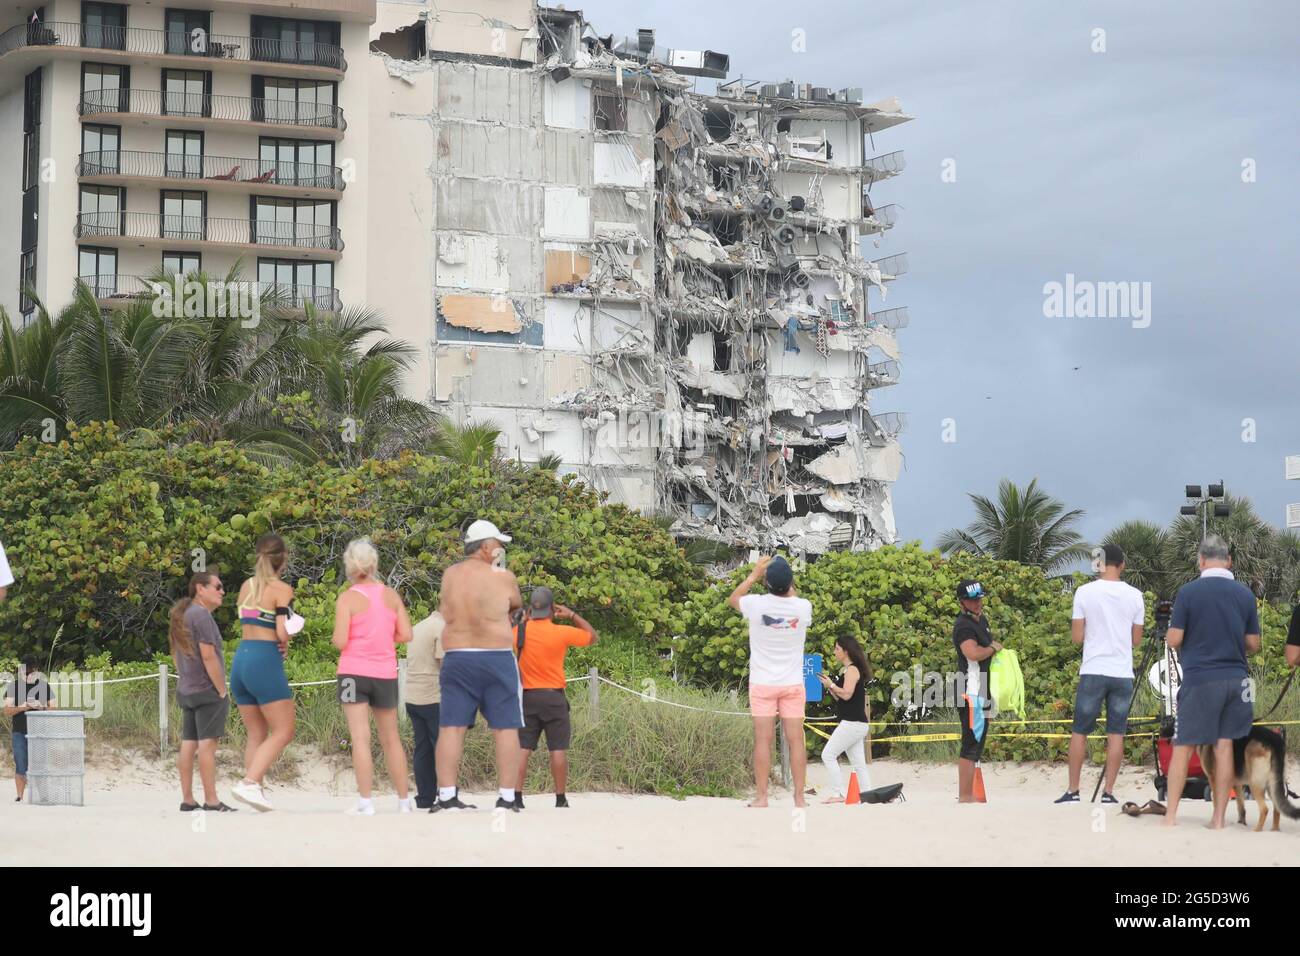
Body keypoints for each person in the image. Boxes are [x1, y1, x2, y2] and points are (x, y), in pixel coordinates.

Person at [1162, 535, 1261, 828]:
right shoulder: (1244, 594)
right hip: (1236, 680)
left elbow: (1176, 638)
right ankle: (1218, 819)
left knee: (1184, 746)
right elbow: (1253, 643)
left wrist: (1171, 635)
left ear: (1201, 561)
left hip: (1201, 680)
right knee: (1224, 746)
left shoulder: (1189, 592)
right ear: (1228, 560)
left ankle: (1170, 817)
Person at [434, 520, 525, 813]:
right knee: (506, 727)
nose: (501, 550)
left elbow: (446, 609)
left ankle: (447, 796)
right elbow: (517, 606)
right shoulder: (503, 576)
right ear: (486, 547)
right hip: (496, 655)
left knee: (451, 727)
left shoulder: (450, 575)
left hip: (458, 655)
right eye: (498, 545)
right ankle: (507, 797)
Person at [1055, 543, 1145, 804]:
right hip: (1121, 672)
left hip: (1093, 669)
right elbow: (1136, 640)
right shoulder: (1135, 595)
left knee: (1080, 731)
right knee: (1116, 733)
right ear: (1122, 565)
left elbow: (1077, 637)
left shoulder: (1084, 592)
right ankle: (1108, 793)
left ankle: (1073, 791)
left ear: (1099, 564)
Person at [332, 538, 414, 815]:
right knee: (391, 738)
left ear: (349, 566)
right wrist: (383, 636)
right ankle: (404, 801)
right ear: (374, 564)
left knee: (360, 737)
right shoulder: (391, 595)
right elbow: (406, 634)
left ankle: (366, 801)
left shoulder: (347, 598)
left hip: (353, 672)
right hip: (385, 672)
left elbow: (341, 641)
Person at [728, 555, 811, 808]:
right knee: (796, 739)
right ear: (790, 582)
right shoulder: (803, 607)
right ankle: (799, 798)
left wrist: (754, 575)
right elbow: (792, 594)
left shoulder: (756, 604)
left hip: (763, 683)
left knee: (762, 740)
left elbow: (733, 599)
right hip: (792, 683)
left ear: (766, 583)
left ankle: (762, 797)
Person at [514, 587, 598, 809]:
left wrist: (520, 620)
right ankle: (560, 799)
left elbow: (500, 638)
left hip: (528, 697)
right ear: (552, 609)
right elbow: (592, 637)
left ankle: (516, 796)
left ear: (531, 608)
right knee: (557, 749)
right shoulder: (561, 632)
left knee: (523, 748)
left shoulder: (518, 633)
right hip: (553, 697)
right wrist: (571, 615)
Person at [230, 533, 297, 811]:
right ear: (284, 559)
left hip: (241, 659)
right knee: (284, 730)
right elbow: (281, 630)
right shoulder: (282, 590)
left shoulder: (246, 587)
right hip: (263, 660)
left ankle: (255, 789)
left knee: (256, 732)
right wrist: (288, 637)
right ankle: (249, 782)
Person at [169, 571, 236, 812]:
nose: (222, 591)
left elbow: (175, 655)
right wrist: (221, 690)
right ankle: (212, 800)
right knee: (207, 746)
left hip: (186, 690)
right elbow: (208, 655)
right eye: (217, 586)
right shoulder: (202, 616)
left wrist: (186, 680)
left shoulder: (184, 615)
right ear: (200, 588)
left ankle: (187, 799)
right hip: (206, 690)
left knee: (189, 743)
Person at [952, 580, 1001, 803]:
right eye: (973, 599)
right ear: (962, 602)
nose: (978, 602)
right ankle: (964, 796)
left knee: (977, 743)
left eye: (980, 597)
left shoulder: (982, 621)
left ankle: (969, 794)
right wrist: (992, 648)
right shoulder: (963, 625)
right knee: (970, 744)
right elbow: (972, 653)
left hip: (982, 689)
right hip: (970, 690)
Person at [816, 635, 873, 802]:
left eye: (837, 649)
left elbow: (847, 694)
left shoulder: (852, 670)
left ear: (845, 651)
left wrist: (832, 685)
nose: (834, 652)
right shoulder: (850, 670)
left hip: (852, 723)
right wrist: (831, 687)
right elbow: (842, 698)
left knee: (828, 755)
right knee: (858, 763)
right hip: (856, 723)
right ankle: (867, 792)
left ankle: (838, 793)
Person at [405, 610, 446, 811]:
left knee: (422, 748)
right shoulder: (442, 628)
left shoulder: (418, 626)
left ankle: (424, 796)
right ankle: (446, 793)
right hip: (433, 696)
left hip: (412, 695)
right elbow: (444, 663)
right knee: (443, 746)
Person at [4, 656, 54, 802]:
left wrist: (42, 706)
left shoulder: (44, 686)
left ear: (36, 670)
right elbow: (7, 711)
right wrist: (25, 706)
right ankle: (19, 796)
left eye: (31, 671)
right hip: (19, 731)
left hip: (39, 731)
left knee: (40, 763)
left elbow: (54, 708)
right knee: (20, 762)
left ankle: (42, 795)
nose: (28, 675)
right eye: (26, 672)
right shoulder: (14, 686)